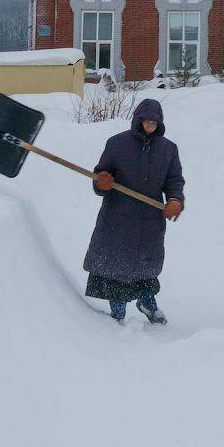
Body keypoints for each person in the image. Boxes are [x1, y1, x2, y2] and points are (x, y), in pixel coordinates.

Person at [83, 97, 184, 327]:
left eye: (154, 123)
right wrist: (102, 182)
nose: (150, 127)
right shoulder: (117, 144)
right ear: (138, 121)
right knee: (115, 265)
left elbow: (174, 180)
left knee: (146, 266)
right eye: (146, 122)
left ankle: (147, 302)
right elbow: (101, 175)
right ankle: (117, 311)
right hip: (118, 217)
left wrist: (176, 199)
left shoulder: (168, 150)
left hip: (149, 220)